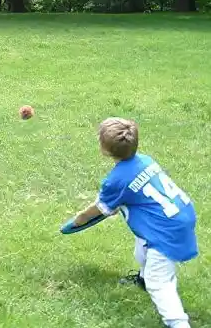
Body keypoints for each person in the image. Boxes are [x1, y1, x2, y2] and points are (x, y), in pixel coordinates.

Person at [73, 117, 198, 328]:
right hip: (180, 214)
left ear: (104, 150)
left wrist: (79, 219)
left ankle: (179, 323)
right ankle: (142, 278)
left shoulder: (116, 180)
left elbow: (101, 209)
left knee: (159, 281)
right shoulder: (145, 160)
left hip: (165, 230)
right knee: (142, 249)